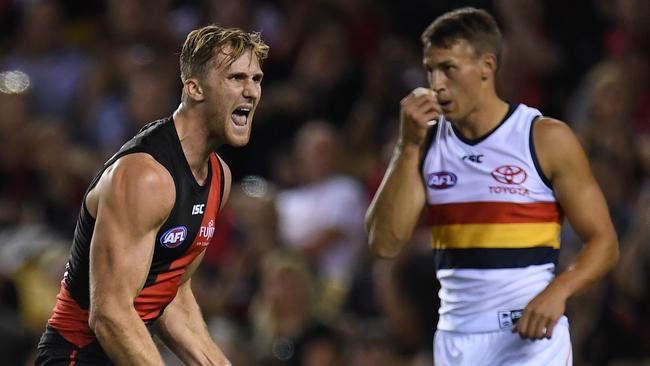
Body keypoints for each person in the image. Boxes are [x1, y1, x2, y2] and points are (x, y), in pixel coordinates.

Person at [365, 7, 619, 366]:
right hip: (455, 339)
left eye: (448, 68)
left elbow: (605, 242)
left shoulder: (543, 138)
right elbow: (385, 243)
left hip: (529, 337)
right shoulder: (423, 143)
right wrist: (406, 148)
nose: (436, 84)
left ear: (486, 66)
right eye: (430, 69)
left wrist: (559, 290)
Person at [35, 24, 268, 365]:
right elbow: (110, 315)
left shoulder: (219, 176)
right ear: (195, 88)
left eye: (256, 79)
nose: (251, 91)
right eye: (236, 78)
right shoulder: (145, 176)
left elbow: (169, 292)